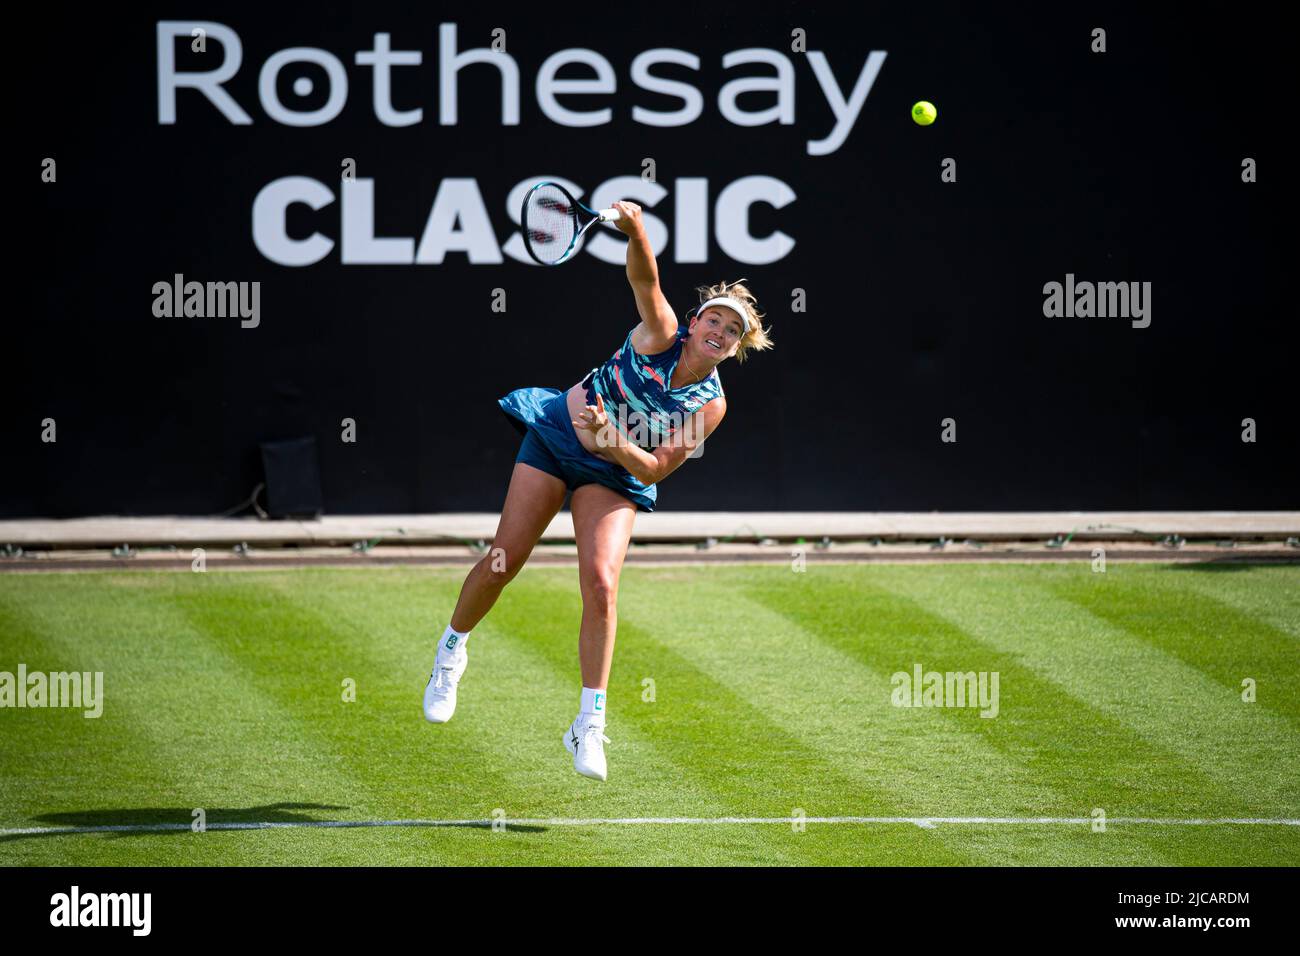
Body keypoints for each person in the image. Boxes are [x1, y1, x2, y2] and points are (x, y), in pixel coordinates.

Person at [423, 200, 774, 780]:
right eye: (714, 320)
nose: (720, 331)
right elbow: (645, 279)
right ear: (694, 324)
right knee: (504, 559)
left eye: (732, 331)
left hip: (614, 470)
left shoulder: (711, 405)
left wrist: (610, 439)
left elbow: (654, 469)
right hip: (558, 437)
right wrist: (637, 231)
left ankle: (588, 723)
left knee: (603, 585)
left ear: (736, 348)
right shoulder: (659, 332)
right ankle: (450, 653)